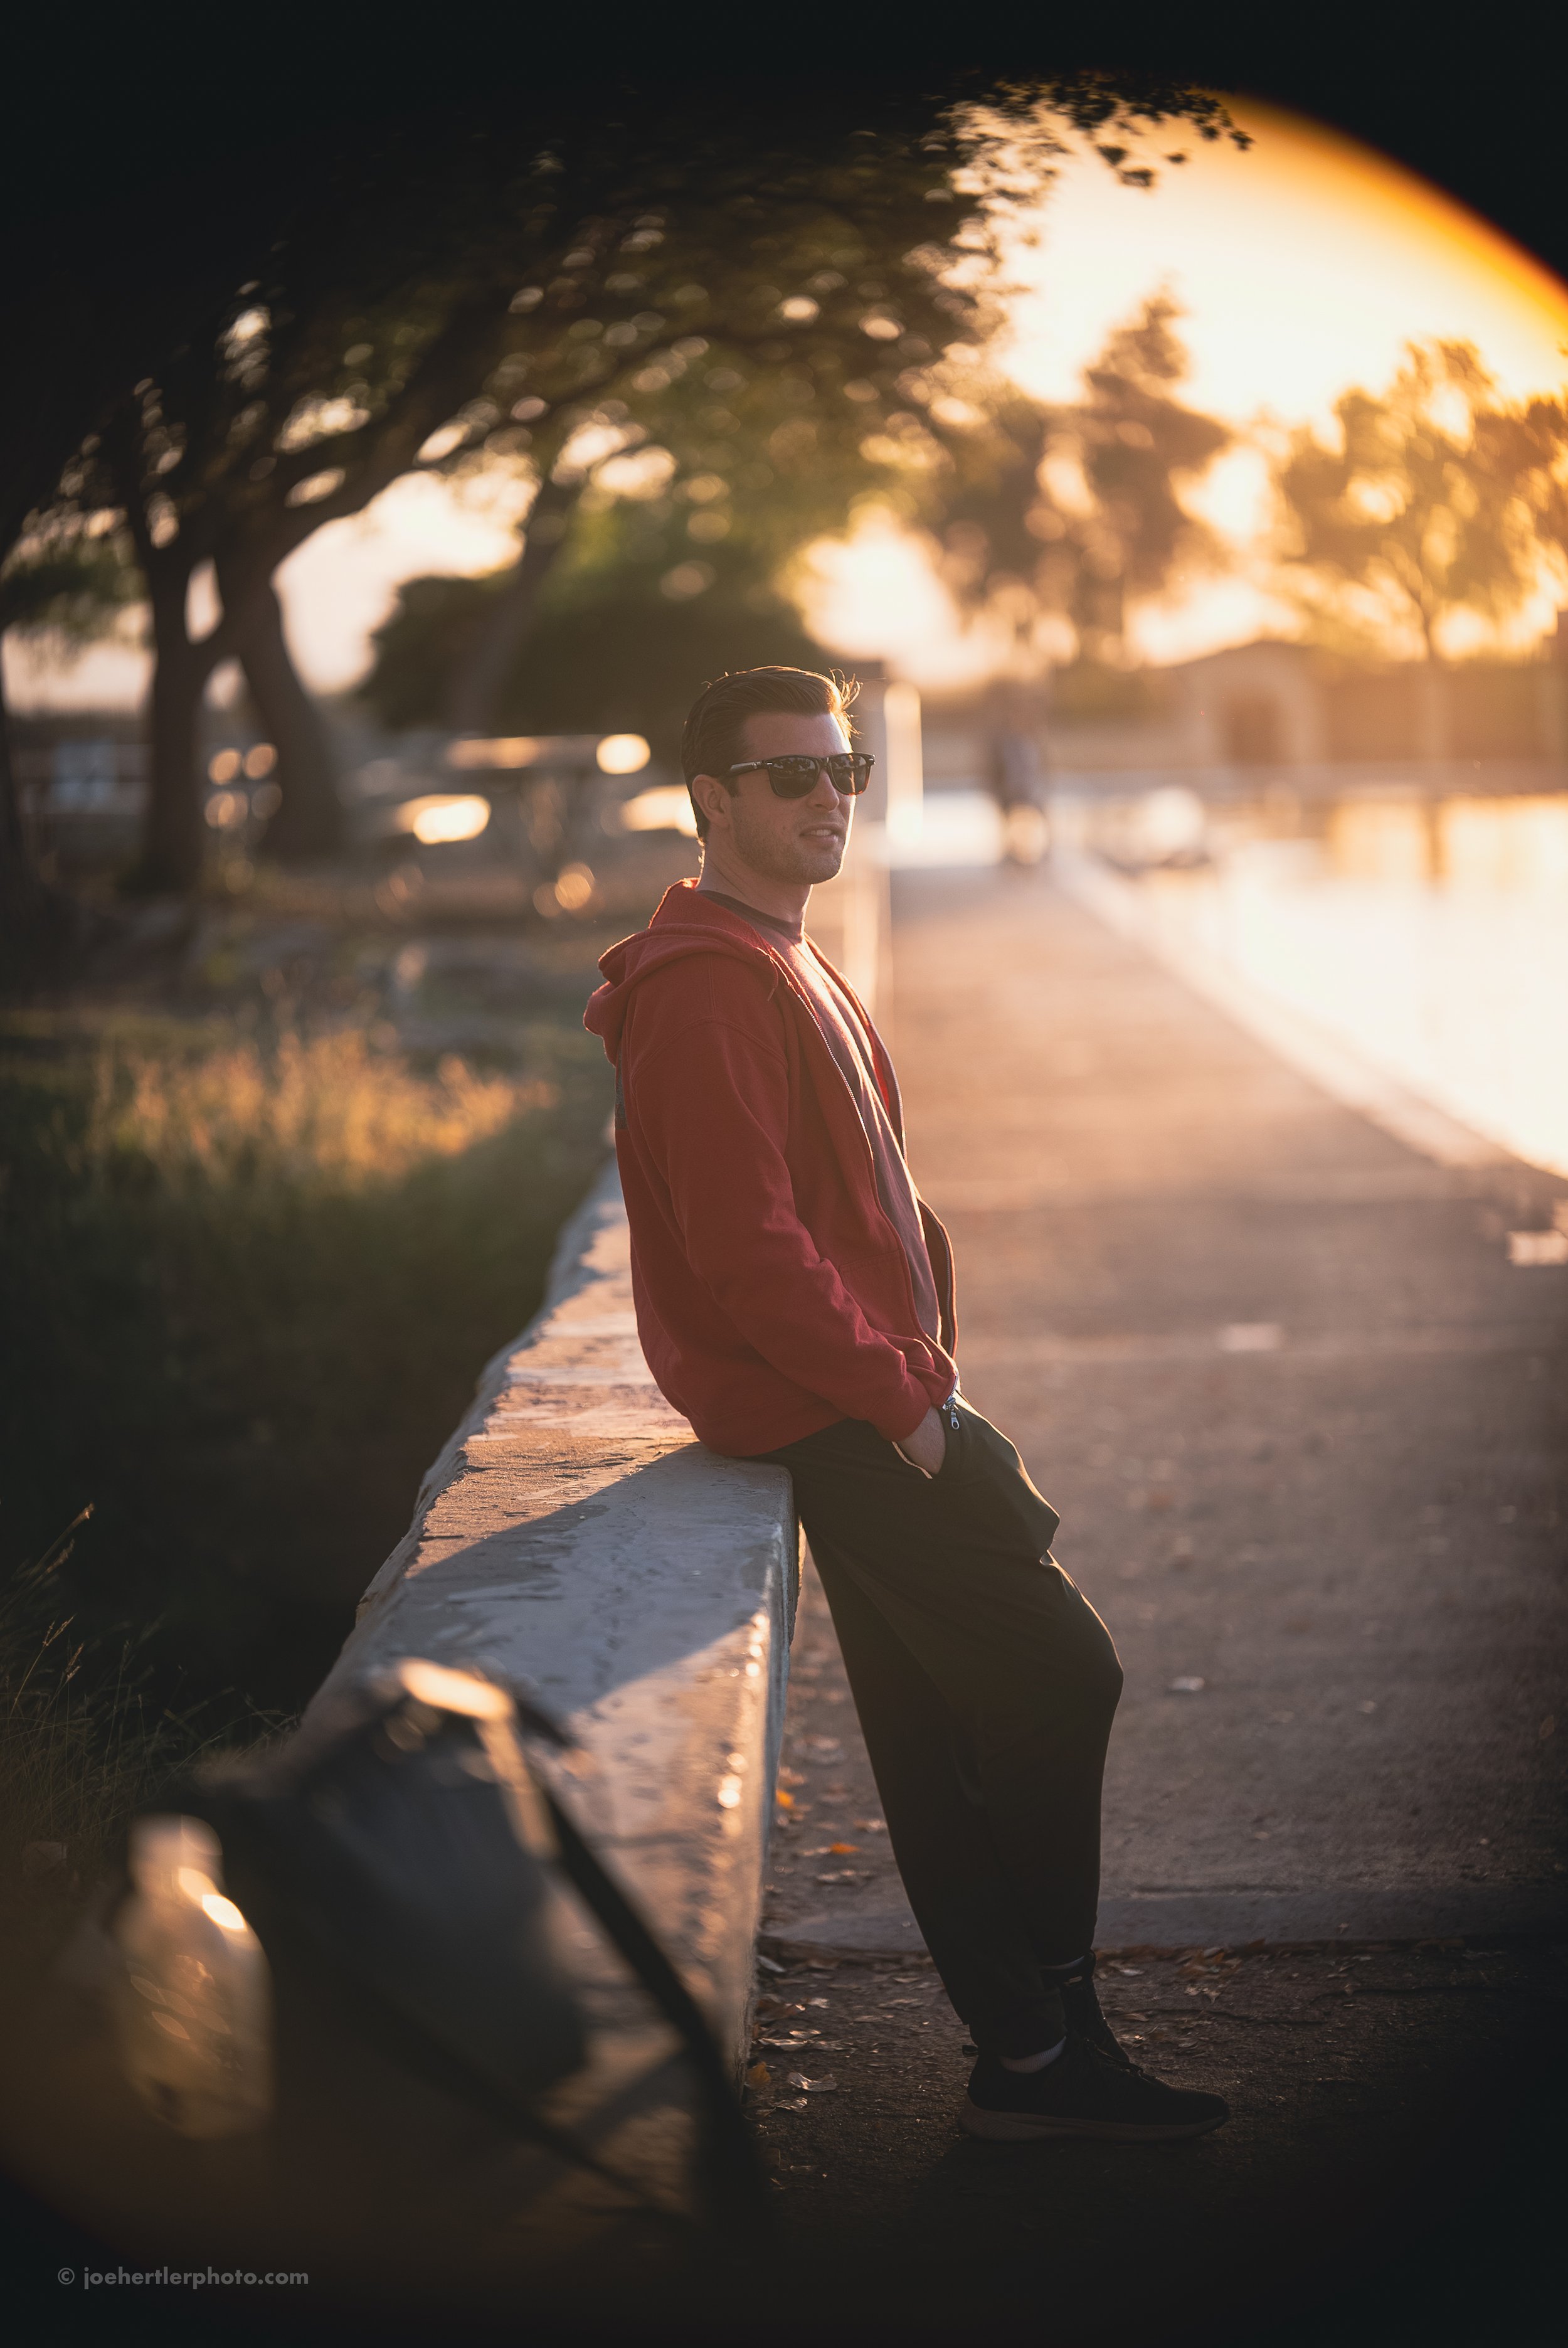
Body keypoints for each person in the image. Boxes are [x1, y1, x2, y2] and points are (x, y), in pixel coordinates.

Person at [584, 666, 1227, 2142]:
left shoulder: (771, 952)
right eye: (793, 774)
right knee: (1062, 1671)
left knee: (944, 1718)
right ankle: (1042, 2029)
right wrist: (910, 1409)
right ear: (710, 799)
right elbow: (749, 1253)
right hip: (830, 1406)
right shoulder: (704, 989)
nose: (829, 797)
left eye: (846, 771)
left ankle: (1033, 2058)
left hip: (862, 1386)